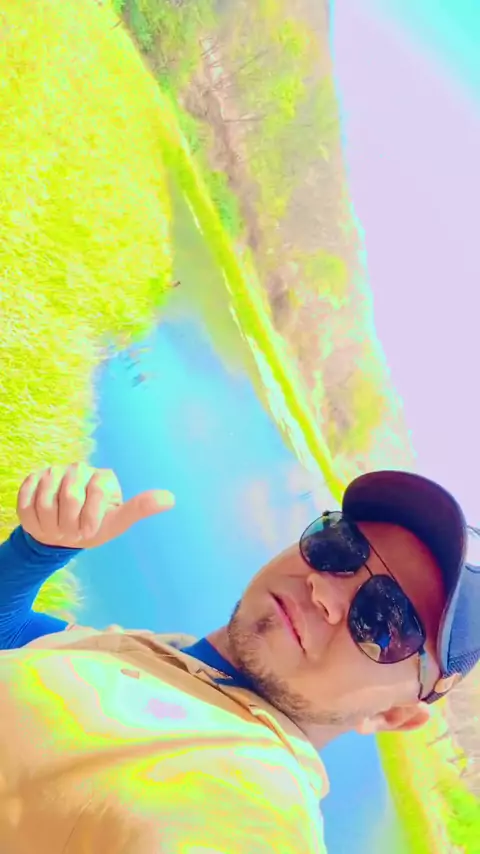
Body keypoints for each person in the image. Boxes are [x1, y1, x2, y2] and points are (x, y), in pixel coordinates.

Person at [0, 462, 478, 853]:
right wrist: (38, 550)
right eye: (341, 548)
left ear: (393, 715)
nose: (324, 590)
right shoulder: (167, 657)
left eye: (385, 621)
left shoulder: (251, 796)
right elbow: (14, 636)